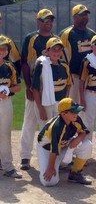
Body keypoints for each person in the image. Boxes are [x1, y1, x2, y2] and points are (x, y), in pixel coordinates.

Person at [20, 9, 57, 170]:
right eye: (44, 20)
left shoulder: (55, 40)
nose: (47, 22)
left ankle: (50, 155)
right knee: (29, 122)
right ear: (38, 21)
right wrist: (28, 86)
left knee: (49, 123)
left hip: (51, 89)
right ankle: (25, 157)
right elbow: (25, 64)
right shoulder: (31, 38)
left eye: (50, 20)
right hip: (35, 86)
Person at [37, 98, 92, 186]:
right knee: (48, 182)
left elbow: (84, 131)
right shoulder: (57, 127)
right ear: (64, 114)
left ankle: (75, 173)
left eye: (76, 111)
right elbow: (53, 150)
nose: (76, 114)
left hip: (63, 144)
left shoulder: (76, 119)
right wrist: (50, 168)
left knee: (87, 145)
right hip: (47, 148)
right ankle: (55, 165)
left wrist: (77, 139)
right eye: (73, 112)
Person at [32, 37, 72, 129]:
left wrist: (66, 101)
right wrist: (40, 109)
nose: (56, 52)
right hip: (45, 104)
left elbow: (68, 84)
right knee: (46, 133)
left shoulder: (64, 65)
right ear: (47, 51)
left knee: (59, 130)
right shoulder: (42, 65)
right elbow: (35, 88)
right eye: (54, 49)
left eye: (59, 50)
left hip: (60, 103)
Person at [59, 4, 96, 103]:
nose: (84, 17)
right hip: (73, 77)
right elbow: (59, 56)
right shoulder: (66, 34)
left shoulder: (92, 34)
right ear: (74, 16)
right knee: (72, 105)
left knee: (87, 106)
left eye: (86, 14)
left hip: (89, 76)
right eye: (81, 14)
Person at [0, 36, 22, 178]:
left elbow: (18, 87)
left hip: (6, 103)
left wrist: (8, 90)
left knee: (5, 134)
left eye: (4, 49)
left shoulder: (10, 66)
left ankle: (8, 167)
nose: (2, 51)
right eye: (0, 48)